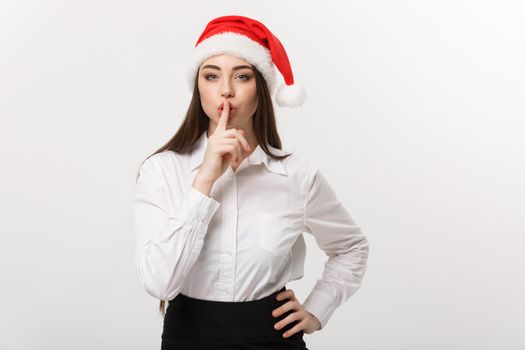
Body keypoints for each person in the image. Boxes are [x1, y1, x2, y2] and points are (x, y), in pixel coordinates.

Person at [133, 15, 370, 350]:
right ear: (197, 86)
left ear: (262, 87)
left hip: (272, 337)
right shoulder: (161, 171)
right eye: (211, 75)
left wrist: (317, 309)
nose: (226, 90)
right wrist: (204, 180)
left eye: (241, 76)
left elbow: (351, 247)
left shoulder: (298, 177)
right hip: (188, 337)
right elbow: (159, 283)